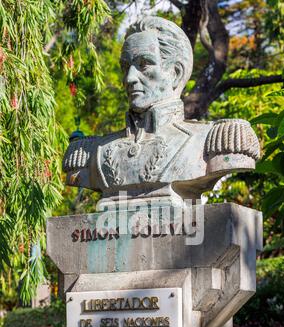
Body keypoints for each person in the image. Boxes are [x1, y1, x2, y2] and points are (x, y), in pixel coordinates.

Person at [63, 16, 259, 203]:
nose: (129, 78)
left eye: (144, 64)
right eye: (126, 67)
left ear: (175, 73)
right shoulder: (89, 153)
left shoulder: (213, 141)